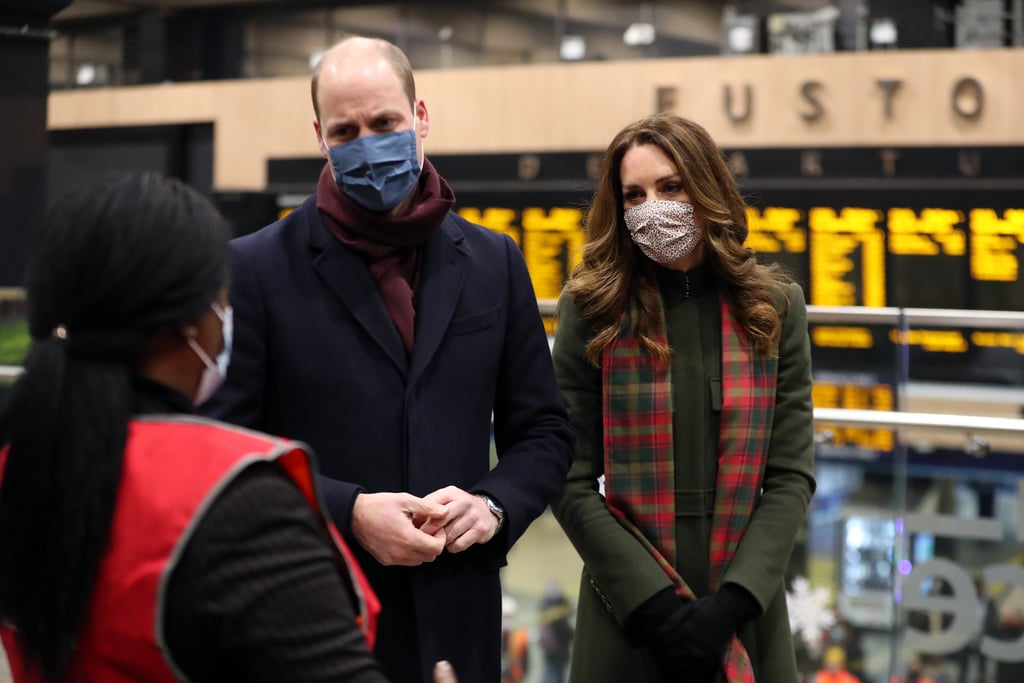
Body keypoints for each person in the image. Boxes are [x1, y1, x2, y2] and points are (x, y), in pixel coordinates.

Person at [201, 35, 574, 683]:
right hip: (318, 607)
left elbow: (543, 431)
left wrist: (491, 505)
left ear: (420, 116)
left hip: (459, 613)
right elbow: (226, 448)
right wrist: (347, 509)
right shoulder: (259, 267)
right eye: (346, 130)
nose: (368, 143)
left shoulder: (495, 262)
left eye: (385, 123)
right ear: (320, 135)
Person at [0, 171, 391, 682]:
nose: (227, 315)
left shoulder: (21, 463)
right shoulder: (241, 502)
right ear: (191, 321)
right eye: (223, 297)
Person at [550, 113, 816, 682]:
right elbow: (568, 478)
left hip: (745, 607)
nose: (653, 206)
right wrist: (653, 605)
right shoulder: (592, 310)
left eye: (670, 187)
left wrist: (733, 605)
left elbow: (791, 475)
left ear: (706, 187)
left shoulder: (776, 309)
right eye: (634, 194)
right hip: (630, 610)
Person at [538, 583, 574, 683]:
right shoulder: (561, 618)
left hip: (552, 652)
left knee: (549, 676)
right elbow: (569, 634)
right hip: (559, 653)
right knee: (557, 677)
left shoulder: (546, 614)